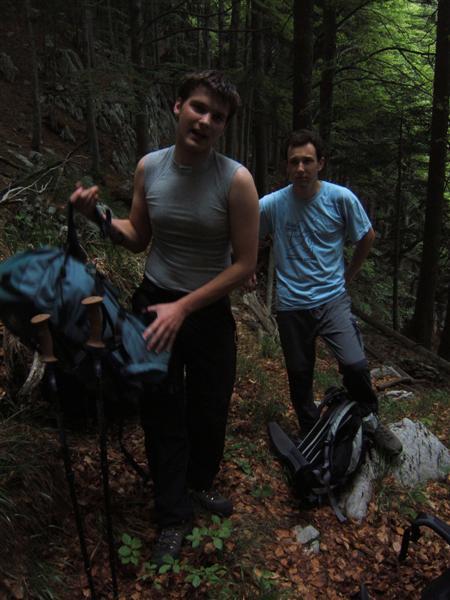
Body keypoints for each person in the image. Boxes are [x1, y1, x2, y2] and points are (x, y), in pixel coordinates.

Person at [70, 70, 259, 564]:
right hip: (155, 303)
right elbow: (138, 237)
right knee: (161, 409)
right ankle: (173, 513)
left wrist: (186, 306)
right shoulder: (149, 168)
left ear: (224, 126)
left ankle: (197, 484)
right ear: (178, 107)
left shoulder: (236, 180)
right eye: (199, 108)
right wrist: (98, 218)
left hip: (207, 310)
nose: (206, 121)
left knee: (209, 408)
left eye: (218, 116)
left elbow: (245, 264)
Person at [259, 129, 402, 456]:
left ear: (320, 163)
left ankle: (370, 419)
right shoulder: (272, 205)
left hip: (331, 299)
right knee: (299, 373)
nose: (301, 168)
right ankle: (311, 431)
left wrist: (349, 274)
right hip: (291, 304)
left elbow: (367, 236)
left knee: (354, 364)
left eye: (307, 161)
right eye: (294, 162)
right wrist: (250, 265)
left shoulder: (340, 199)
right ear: (286, 166)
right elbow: (250, 232)